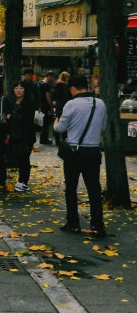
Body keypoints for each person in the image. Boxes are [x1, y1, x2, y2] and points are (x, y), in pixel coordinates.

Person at [54, 74, 108, 236]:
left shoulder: (71, 104)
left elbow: (60, 129)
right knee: (94, 188)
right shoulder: (100, 104)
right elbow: (103, 127)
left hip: (73, 151)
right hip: (92, 151)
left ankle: (73, 223)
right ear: (87, 86)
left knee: (71, 188)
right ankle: (97, 225)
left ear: (72, 88)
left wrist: (55, 122)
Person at [6, 80, 37, 192]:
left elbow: (27, 119)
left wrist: (12, 116)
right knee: (18, 158)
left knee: (24, 158)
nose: (18, 90)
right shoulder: (12, 102)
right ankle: (21, 180)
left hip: (26, 135)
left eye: (21, 88)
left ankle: (23, 181)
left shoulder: (29, 103)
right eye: (16, 88)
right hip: (14, 134)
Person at [52, 72, 72, 145]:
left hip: (59, 105)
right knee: (65, 121)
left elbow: (53, 95)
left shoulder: (57, 85)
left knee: (58, 120)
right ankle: (64, 138)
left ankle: (57, 139)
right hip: (64, 104)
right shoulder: (65, 86)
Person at [38, 72, 55, 144]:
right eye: (52, 77)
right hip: (46, 106)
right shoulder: (46, 85)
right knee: (46, 123)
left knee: (43, 122)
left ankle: (43, 138)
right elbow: (48, 96)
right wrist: (51, 106)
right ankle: (44, 139)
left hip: (41, 105)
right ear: (49, 76)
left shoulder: (39, 83)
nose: (53, 78)